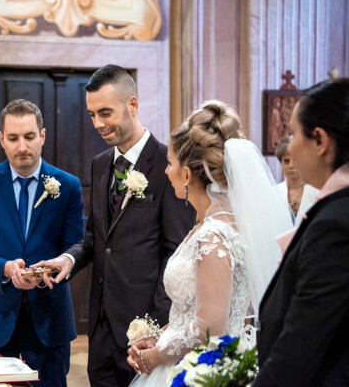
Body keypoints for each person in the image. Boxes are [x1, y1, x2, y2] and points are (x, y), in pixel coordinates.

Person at [34, 64, 195, 387]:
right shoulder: (100, 164)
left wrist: (154, 327)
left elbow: (176, 252)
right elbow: (96, 237)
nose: (97, 123)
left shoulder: (168, 165)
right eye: (92, 114)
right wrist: (68, 259)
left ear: (132, 104)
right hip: (101, 329)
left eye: (105, 113)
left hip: (145, 330)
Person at [125, 100, 292, 386]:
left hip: (202, 369)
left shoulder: (213, 236)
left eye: (170, 163)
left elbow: (208, 328)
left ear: (187, 174)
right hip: (195, 357)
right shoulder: (211, 224)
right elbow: (192, 311)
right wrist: (161, 337)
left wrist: (154, 357)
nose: (166, 171)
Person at [0, 99, 85, 387]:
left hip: (49, 317)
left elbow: (77, 246)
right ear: (2, 139)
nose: (22, 146)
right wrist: (5, 268)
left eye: (29, 136)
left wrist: (48, 271)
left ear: (42, 135)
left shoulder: (67, 186)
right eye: (13, 138)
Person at [255, 79, 349, 386]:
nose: (290, 147)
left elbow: (300, 347)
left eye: (294, 133)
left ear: (320, 140)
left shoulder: (335, 225)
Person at [274, 134, 319, 226]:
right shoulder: (273, 192)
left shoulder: (317, 192)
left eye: (295, 160)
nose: (291, 166)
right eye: (286, 161)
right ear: (281, 163)